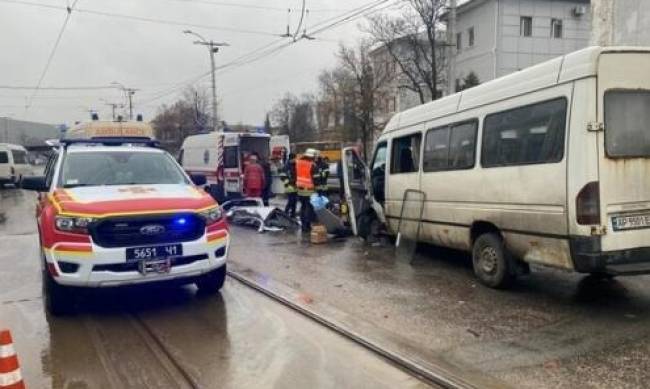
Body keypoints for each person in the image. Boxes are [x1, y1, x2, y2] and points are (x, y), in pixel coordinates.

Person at [296, 148, 319, 232]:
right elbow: (316, 178)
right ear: (312, 156)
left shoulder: (298, 163)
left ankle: (303, 225)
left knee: (303, 207)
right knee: (309, 208)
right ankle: (307, 225)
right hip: (309, 189)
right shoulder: (312, 165)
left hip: (300, 188)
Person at [281, 153, 298, 218]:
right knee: (291, 201)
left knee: (294, 202)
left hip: (295, 186)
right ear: (292, 158)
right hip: (289, 186)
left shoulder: (295, 165)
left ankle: (293, 215)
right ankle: (285, 214)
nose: (295, 159)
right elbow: (282, 176)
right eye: (295, 158)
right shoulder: (286, 166)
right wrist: (288, 182)